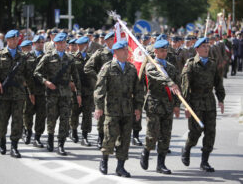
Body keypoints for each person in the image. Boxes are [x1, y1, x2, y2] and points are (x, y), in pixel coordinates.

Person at [0, 30, 35, 158]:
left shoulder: (23, 56)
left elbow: (29, 76)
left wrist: (30, 92)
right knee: (2, 121)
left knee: (17, 121)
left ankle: (14, 146)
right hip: (4, 95)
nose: (14, 41)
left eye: (16, 39)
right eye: (12, 39)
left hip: (19, 95)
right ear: (7, 40)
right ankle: (2, 142)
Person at [95, 40, 143, 177]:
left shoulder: (131, 68)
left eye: (127, 50)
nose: (126, 52)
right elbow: (99, 89)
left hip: (127, 109)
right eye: (123, 50)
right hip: (112, 109)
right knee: (110, 137)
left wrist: (138, 107)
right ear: (116, 52)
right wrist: (99, 107)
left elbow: (138, 89)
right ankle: (104, 161)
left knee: (125, 139)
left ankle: (120, 167)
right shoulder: (108, 67)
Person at [181, 37, 225, 172]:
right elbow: (185, 87)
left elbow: (218, 82)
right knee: (195, 132)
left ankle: (204, 161)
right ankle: (187, 147)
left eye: (207, 46)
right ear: (197, 49)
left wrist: (221, 99)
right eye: (204, 46)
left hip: (209, 102)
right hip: (195, 103)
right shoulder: (191, 65)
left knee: (210, 132)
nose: (207, 48)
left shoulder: (212, 64)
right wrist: (186, 106)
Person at [34, 32, 81, 156]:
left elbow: (76, 78)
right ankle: (50, 140)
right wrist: (46, 82)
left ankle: (61, 144)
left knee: (65, 119)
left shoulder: (70, 59)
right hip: (52, 93)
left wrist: (78, 94)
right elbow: (37, 73)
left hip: (66, 93)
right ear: (55, 43)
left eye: (63, 42)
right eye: (59, 43)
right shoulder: (48, 57)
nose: (62, 45)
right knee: (51, 117)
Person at [140, 39, 180, 174]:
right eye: (161, 51)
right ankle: (146, 151)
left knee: (165, 136)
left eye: (165, 51)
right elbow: (159, 76)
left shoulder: (171, 67)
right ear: (155, 52)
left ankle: (161, 164)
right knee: (153, 134)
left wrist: (176, 105)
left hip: (168, 105)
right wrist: (170, 83)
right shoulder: (151, 66)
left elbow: (177, 87)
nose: (164, 53)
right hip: (154, 104)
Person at [84, 31, 115, 149]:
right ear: (107, 41)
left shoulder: (122, 53)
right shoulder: (101, 53)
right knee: (101, 114)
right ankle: (100, 137)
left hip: (117, 88)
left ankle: (112, 139)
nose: (113, 41)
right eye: (111, 39)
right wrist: (99, 77)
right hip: (104, 89)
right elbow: (87, 67)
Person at [22, 35, 46, 148]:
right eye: (38, 42)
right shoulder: (26, 56)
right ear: (33, 44)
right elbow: (20, 71)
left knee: (41, 114)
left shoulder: (47, 57)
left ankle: (37, 137)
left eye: (42, 42)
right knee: (27, 113)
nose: (40, 44)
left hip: (42, 90)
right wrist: (23, 82)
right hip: (28, 90)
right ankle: (28, 131)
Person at [69, 36, 93, 146]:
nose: (85, 47)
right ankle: (73, 130)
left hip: (88, 90)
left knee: (87, 114)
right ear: (79, 46)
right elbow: (68, 72)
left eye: (86, 45)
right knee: (74, 112)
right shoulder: (72, 58)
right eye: (82, 45)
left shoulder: (91, 57)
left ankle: (85, 136)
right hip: (75, 91)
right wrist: (70, 82)